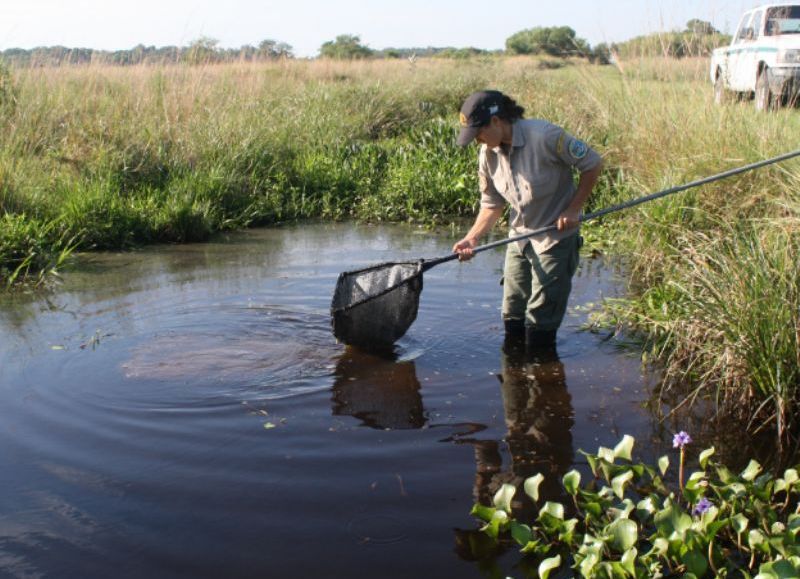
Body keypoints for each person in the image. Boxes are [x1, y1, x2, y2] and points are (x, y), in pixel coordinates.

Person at [452, 90, 603, 349]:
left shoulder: (545, 136)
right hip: (519, 238)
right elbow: (491, 204)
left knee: (540, 323)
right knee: (512, 314)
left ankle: (542, 377)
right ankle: (513, 379)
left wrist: (573, 209)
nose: (477, 140)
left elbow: (592, 163)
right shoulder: (487, 154)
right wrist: (472, 238)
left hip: (554, 238)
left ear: (497, 121)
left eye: (479, 132)